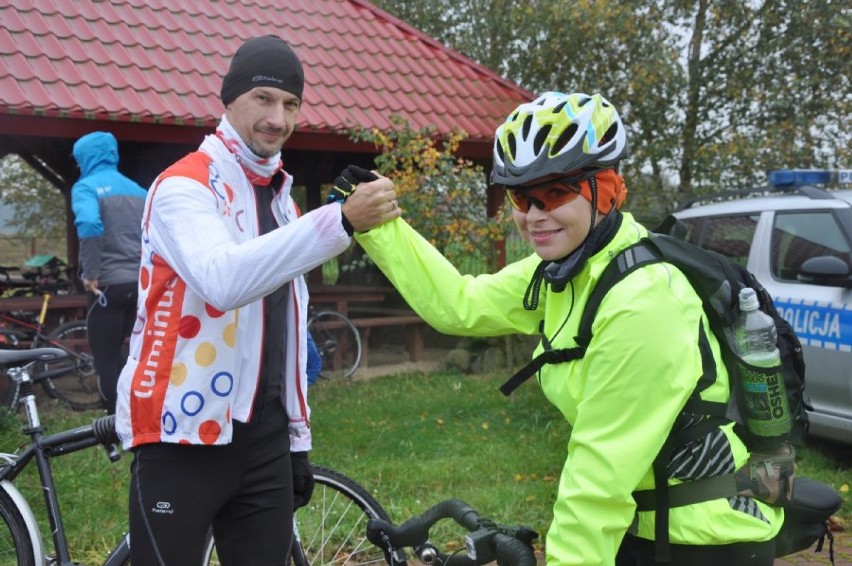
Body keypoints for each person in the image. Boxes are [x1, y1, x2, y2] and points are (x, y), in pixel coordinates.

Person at [353, 92, 783, 565]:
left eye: (555, 192)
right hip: (641, 521)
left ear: (609, 188)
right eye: (521, 196)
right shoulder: (567, 270)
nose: (533, 215)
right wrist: (380, 227)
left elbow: (597, 480)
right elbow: (461, 303)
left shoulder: (643, 303)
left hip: (702, 539)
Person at [114, 35, 400, 565]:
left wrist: (296, 435)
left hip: (263, 438)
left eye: (291, 104)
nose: (279, 117)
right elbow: (224, 281)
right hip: (182, 433)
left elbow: (288, 326)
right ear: (228, 100)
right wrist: (339, 220)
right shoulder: (184, 186)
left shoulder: (280, 196)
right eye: (264, 98)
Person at [71, 131, 147, 414]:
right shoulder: (140, 190)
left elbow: (90, 225)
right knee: (135, 355)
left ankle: (115, 425)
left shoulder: (85, 187)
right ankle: (140, 414)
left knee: (106, 359)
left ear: (86, 159)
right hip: (140, 286)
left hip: (107, 287)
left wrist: (90, 274)